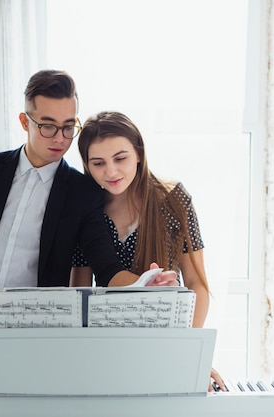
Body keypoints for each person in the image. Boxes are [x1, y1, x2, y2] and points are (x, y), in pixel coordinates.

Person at [0, 71, 177, 386]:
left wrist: (146, 285)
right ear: (25, 122)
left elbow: (107, 266)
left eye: (68, 127)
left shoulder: (82, 192)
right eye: (47, 126)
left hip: (35, 343)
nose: (60, 138)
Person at [70, 110, 226, 390]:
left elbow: (196, 285)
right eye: (98, 163)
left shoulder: (173, 199)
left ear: (139, 154)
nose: (111, 172)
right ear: (87, 165)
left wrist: (190, 355)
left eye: (121, 158)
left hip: (166, 345)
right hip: (105, 350)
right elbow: (78, 295)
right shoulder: (86, 210)